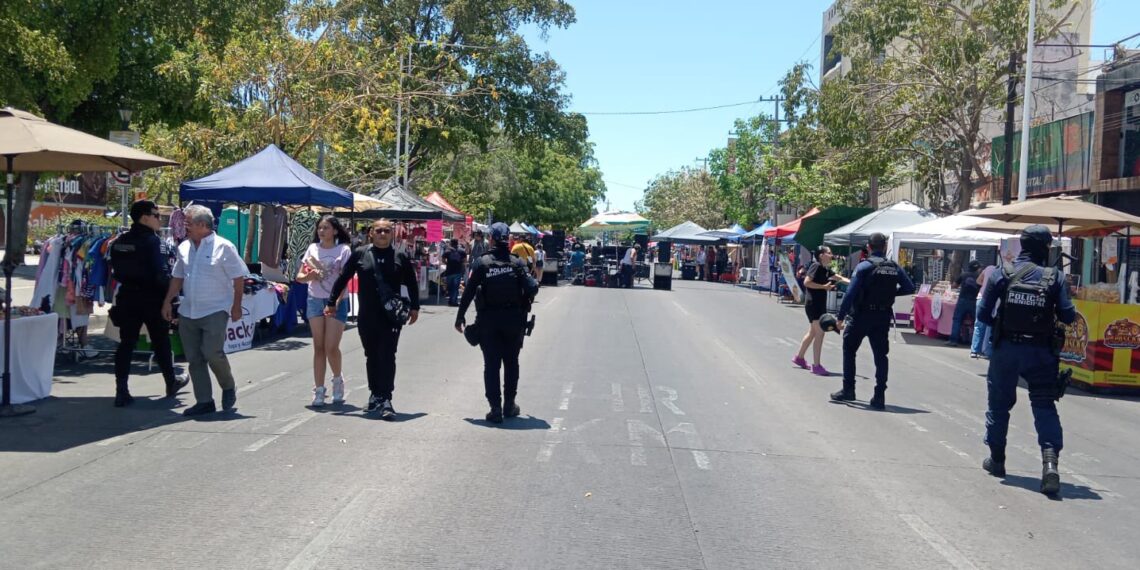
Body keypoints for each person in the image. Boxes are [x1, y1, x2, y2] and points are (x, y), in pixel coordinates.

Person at [976, 225, 1074, 495]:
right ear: (1045, 248)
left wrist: (1004, 325)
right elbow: (1067, 316)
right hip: (1042, 354)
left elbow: (983, 315)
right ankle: (1050, 466)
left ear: (1022, 245)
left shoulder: (1001, 273)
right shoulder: (1054, 277)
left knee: (998, 406)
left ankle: (997, 460)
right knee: (1044, 406)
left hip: (1006, 350)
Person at [325, 219, 420, 420]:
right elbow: (343, 278)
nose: (383, 234)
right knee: (372, 355)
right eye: (379, 231)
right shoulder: (360, 254)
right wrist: (332, 301)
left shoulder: (400, 255)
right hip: (367, 315)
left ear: (391, 234)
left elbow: (412, 283)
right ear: (371, 233)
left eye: (387, 231)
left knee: (387, 355)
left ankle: (386, 398)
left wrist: (415, 307)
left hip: (390, 317)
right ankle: (375, 393)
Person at [163, 205, 248, 417]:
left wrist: (236, 306)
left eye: (188, 224)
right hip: (188, 310)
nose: (185, 227)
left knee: (212, 352)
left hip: (215, 309)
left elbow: (238, 278)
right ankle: (204, 401)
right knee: (194, 358)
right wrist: (167, 302)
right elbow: (178, 277)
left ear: (202, 225)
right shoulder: (183, 247)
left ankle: (228, 386)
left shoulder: (224, 247)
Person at [455, 222, 539, 423]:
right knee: (511, 363)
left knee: (491, 365)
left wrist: (460, 316)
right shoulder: (517, 264)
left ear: (491, 239)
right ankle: (509, 405)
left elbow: (467, 291)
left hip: (489, 321)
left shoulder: (482, 263)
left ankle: (495, 409)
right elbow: (532, 289)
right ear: (508, 240)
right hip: (513, 321)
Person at [109, 200, 189, 407]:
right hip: (152, 298)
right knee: (160, 340)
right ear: (145, 217)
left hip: (127, 296)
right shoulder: (154, 242)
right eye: (156, 215)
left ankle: (121, 390)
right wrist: (171, 300)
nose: (159, 219)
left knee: (126, 343)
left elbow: (115, 271)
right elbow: (161, 274)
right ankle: (170, 382)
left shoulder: (119, 241)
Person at [831, 232, 916, 409]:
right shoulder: (894, 267)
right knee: (881, 356)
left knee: (849, 349)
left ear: (868, 247)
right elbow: (909, 287)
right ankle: (879, 396)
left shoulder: (864, 267)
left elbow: (850, 294)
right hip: (882, 317)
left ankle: (849, 389)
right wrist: (891, 293)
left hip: (861, 315)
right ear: (884, 247)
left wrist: (840, 318)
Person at [296, 215, 353, 407]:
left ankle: (338, 380)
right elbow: (300, 277)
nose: (322, 231)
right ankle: (318, 389)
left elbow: (345, 279)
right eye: (320, 228)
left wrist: (335, 301)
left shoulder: (343, 250)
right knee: (318, 346)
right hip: (314, 299)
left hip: (336, 301)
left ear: (335, 230)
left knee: (331, 347)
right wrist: (309, 275)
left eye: (326, 228)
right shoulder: (312, 249)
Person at [793, 247, 849, 376]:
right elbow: (807, 282)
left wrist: (854, 282)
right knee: (820, 332)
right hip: (813, 304)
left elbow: (838, 277)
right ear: (821, 255)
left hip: (819, 304)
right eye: (829, 253)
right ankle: (816, 365)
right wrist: (823, 287)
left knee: (813, 332)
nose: (831, 255)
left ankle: (799, 358)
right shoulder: (816, 266)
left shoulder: (825, 269)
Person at [946, 260, 982, 347]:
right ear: (976, 268)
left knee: (957, 320)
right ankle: (976, 343)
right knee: (976, 322)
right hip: (974, 300)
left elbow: (954, 285)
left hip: (962, 300)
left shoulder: (963, 275)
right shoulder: (980, 276)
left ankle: (953, 340)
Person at [970, 263, 997, 359]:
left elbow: (978, 281)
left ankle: (974, 350)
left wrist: (985, 284)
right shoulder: (1002, 271)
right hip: (993, 300)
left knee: (978, 325)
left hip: (981, 297)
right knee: (990, 326)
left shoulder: (988, 268)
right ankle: (987, 351)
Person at [442, 238, 467, 306]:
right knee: (455, 287)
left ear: (451, 243)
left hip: (449, 271)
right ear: (457, 243)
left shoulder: (447, 251)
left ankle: (451, 300)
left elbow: (443, 259)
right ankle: (454, 301)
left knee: (450, 287)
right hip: (458, 271)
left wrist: (447, 263)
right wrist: (460, 263)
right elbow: (465, 260)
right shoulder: (461, 251)